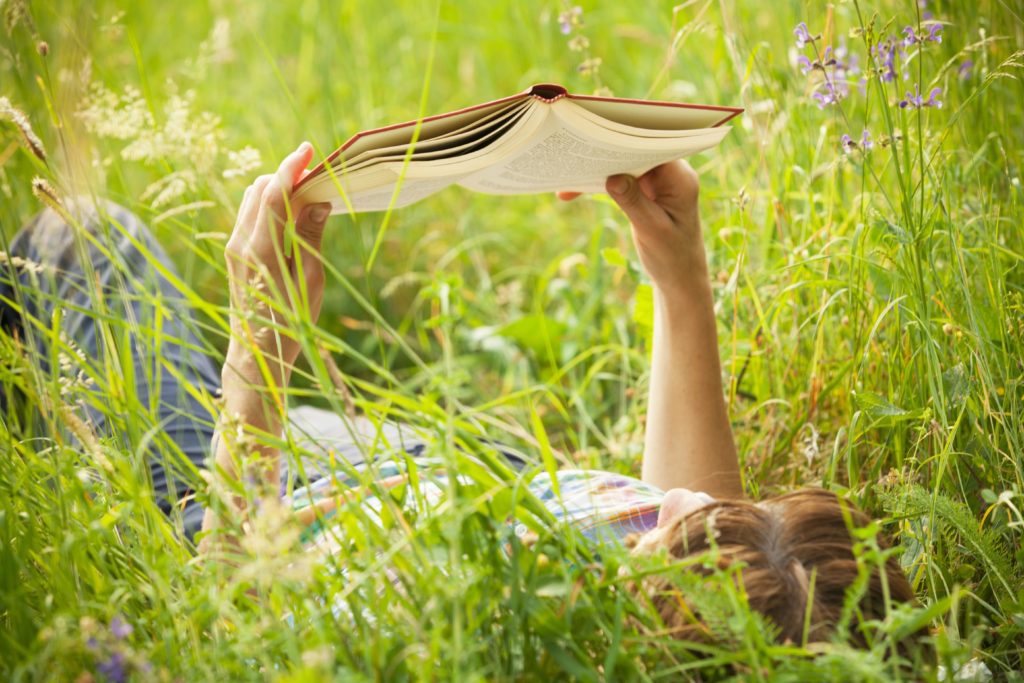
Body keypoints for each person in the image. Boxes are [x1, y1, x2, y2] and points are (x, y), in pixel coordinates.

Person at [0, 143, 921, 653]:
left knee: (85, 241)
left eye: (672, 534)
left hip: (239, 500)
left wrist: (261, 356)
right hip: (435, 471)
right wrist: (680, 283)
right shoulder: (750, 606)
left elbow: (226, 620)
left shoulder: (477, 635)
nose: (694, 498)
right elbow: (722, 546)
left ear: (647, 626)